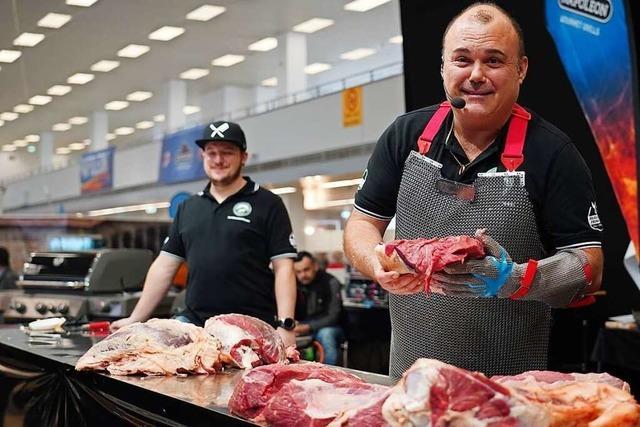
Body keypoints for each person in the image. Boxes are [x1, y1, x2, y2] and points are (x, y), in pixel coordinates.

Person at [344, 2, 603, 380]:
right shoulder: (405, 136)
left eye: (494, 61)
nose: (476, 75)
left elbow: (590, 266)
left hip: (508, 388)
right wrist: (376, 264)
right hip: (411, 378)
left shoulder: (554, 154)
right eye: (462, 59)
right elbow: (361, 224)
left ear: (521, 70)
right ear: (444, 68)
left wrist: (517, 278)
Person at [111, 121, 298, 347]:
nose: (218, 160)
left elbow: (284, 268)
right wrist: (135, 318)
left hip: (250, 326)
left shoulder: (268, 204)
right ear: (202, 156)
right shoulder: (189, 207)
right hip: (196, 323)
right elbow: (164, 266)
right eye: (212, 153)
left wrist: (286, 325)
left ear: (244, 157)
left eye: (227, 153)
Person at [293, 251, 344, 365]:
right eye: (298, 272)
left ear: (315, 266)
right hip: (302, 326)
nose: (303, 275)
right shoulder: (294, 284)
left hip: (331, 327)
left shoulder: (331, 282)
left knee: (326, 334)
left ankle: (328, 375)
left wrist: (307, 327)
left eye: (306, 269)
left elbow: (333, 316)